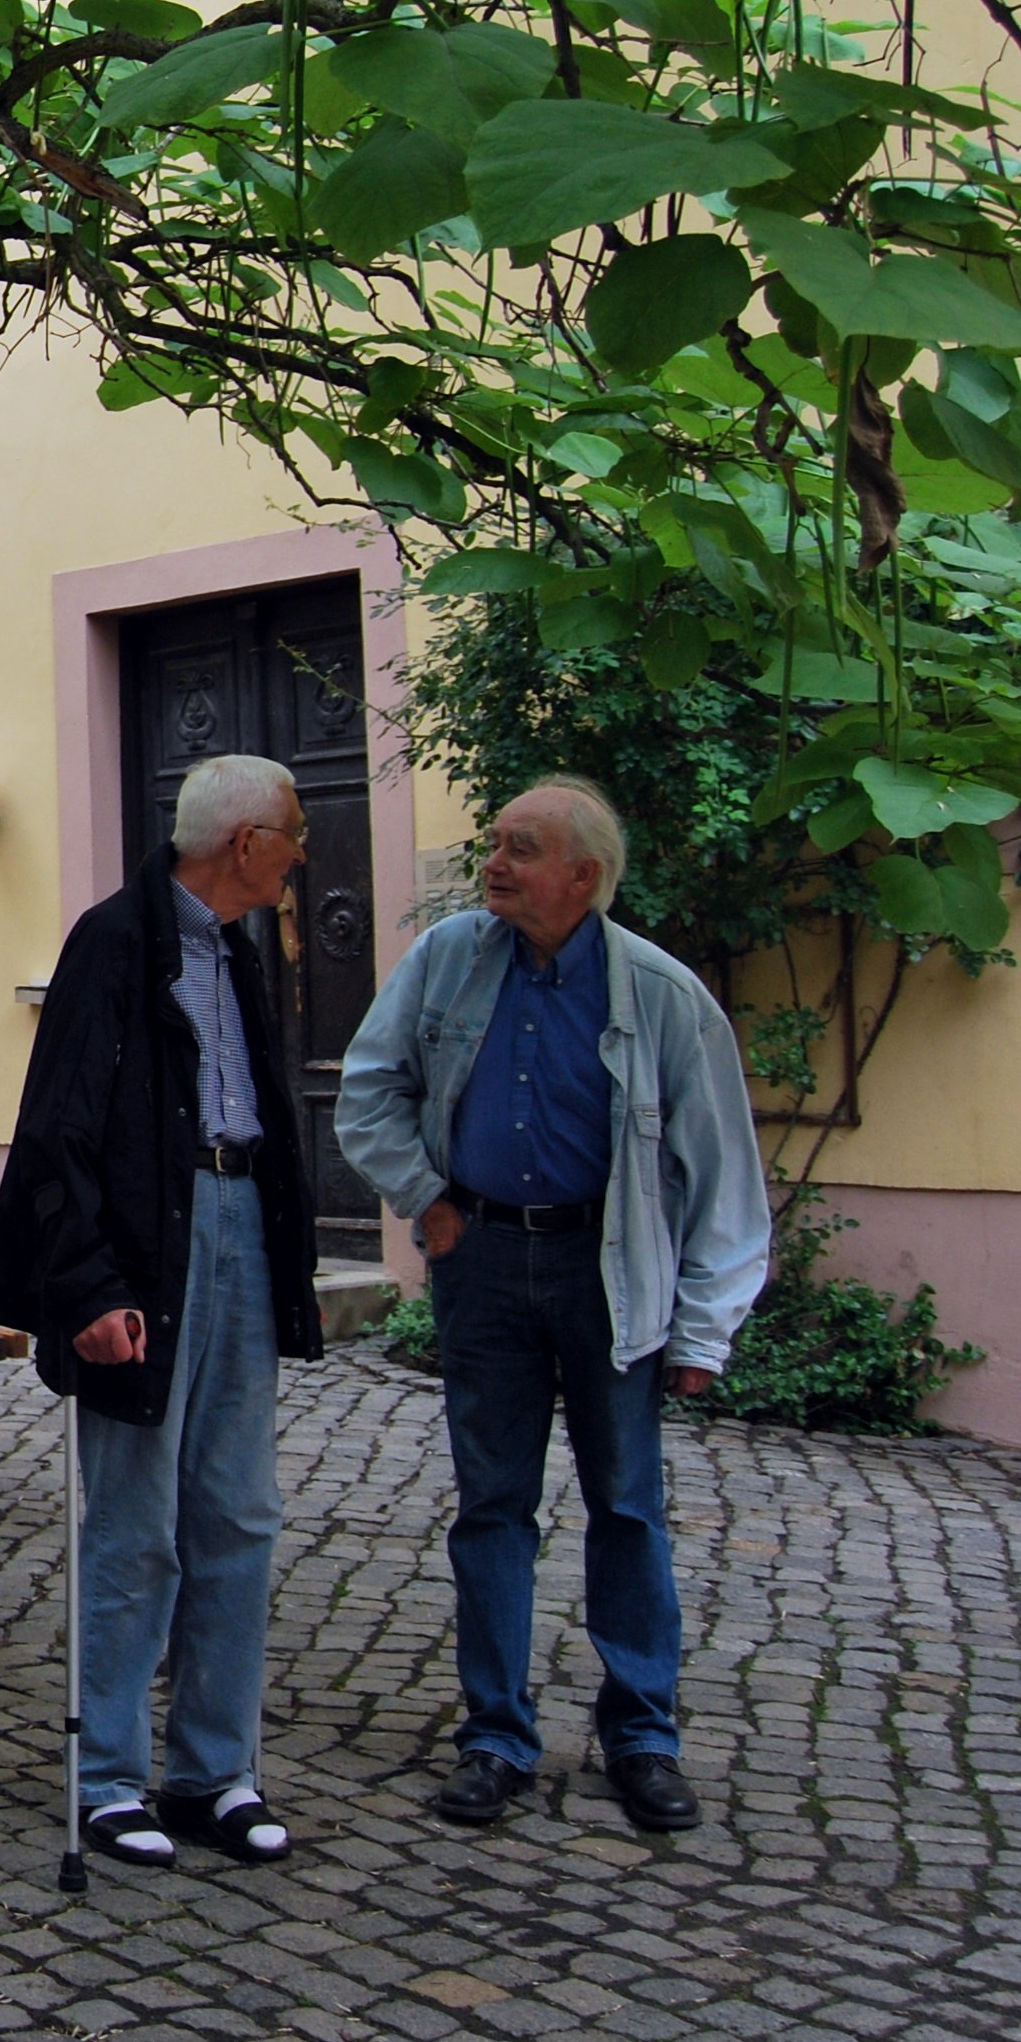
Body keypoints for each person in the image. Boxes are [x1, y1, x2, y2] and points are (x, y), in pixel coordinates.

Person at [337, 776, 768, 1836]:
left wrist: (703, 1327)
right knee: (491, 1505)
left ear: (583, 876)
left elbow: (721, 1175)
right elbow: (369, 1087)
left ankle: (642, 1737)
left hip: (607, 1271)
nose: (492, 865)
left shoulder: (659, 995)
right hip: (480, 1261)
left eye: (518, 849)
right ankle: (495, 1736)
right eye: (495, 844)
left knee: (625, 1504)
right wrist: (427, 1197)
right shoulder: (447, 958)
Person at [0, 754, 332, 1868]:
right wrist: (87, 1286)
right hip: (150, 1251)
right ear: (245, 843)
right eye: (292, 835)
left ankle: (215, 1773)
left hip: (239, 1228)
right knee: (136, 1524)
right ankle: (107, 1777)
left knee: (239, 1514)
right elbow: (55, 1130)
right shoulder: (113, 942)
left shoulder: (236, 948)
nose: (299, 857)